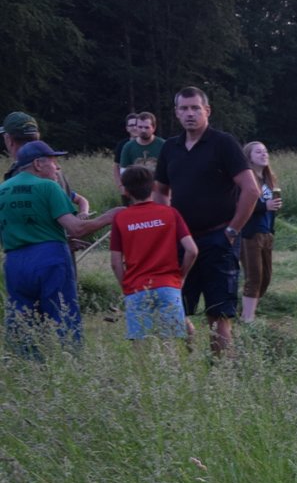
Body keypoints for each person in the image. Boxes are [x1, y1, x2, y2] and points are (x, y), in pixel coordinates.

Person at [153, 87, 258, 356]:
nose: (190, 113)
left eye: (195, 108)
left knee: (218, 312)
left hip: (218, 237)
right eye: (184, 108)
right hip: (182, 240)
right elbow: (160, 192)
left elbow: (251, 190)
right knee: (174, 307)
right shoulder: (170, 148)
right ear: (176, 113)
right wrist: (168, 227)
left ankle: (221, 370)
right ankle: (176, 370)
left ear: (207, 111)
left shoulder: (223, 143)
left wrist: (233, 230)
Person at [0, 141, 117, 346]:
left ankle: (26, 362)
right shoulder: (48, 187)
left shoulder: (3, 189)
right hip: (50, 259)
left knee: (22, 321)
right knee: (63, 316)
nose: (58, 168)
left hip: (15, 262)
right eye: (54, 162)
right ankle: (68, 357)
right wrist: (108, 217)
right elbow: (76, 228)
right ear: (38, 164)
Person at [108, 165, 197, 341]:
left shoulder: (120, 218)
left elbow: (115, 263)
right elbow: (192, 250)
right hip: (168, 285)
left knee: (140, 344)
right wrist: (181, 276)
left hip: (136, 287)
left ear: (126, 191)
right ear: (154, 187)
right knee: (171, 344)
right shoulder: (170, 213)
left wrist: (126, 286)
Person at [5, 112, 91, 214]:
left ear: (9, 139)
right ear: (37, 136)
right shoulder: (52, 169)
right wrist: (83, 215)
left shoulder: (20, 173)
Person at [239, 142, 282, 323]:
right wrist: (265, 206)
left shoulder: (268, 179)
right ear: (249, 157)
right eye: (258, 152)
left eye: (265, 151)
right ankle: (247, 319)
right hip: (250, 233)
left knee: (266, 278)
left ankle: (246, 310)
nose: (264, 154)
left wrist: (272, 210)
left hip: (266, 232)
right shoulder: (246, 179)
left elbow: (270, 206)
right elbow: (240, 205)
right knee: (254, 276)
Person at [116, 111, 164, 187]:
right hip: (136, 189)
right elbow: (124, 172)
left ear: (154, 128)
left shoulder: (163, 145)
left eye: (146, 127)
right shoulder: (128, 147)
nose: (143, 130)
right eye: (140, 127)